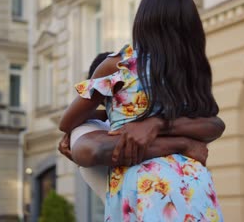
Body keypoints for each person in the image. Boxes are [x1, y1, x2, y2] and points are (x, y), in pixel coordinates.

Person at [60, 0, 224, 221]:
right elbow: (214, 124)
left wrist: (102, 115)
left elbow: (67, 121)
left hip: (145, 187)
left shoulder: (120, 65)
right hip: (194, 183)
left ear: (143, 22)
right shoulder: (189, 73)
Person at [60, 52, 225, 204]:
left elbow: (215, 124)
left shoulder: (148, 115)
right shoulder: (88, 129)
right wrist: (183, 144)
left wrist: (158, 125)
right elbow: (99, 150)